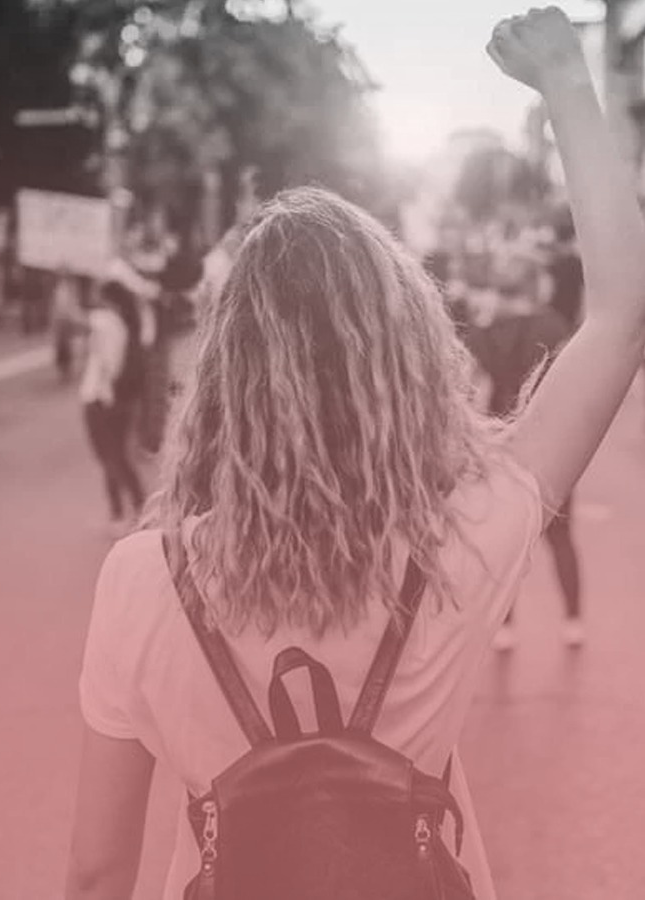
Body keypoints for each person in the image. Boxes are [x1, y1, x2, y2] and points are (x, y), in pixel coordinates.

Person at [66, 11, 645, 900]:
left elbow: (100, 875)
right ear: (404, 356)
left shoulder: (143, 579)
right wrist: (568, 83)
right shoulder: (458, 542)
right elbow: (621, 312)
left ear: (226, 371)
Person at [464, 252, 583, 650]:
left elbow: (473, 392)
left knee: (504, 537)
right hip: (552, 436)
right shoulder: (554, 325)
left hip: (501, 440)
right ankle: (573, 619)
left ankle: (505, 625)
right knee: (562, 535)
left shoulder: (483, 333)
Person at [80, 279, 146, 536]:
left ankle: (128, 511)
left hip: (100, 398)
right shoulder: (125, 324)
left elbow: (70, 316)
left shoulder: (105, 322)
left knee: (110, 457)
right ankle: (125, 511)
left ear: (110, 300)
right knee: (116, 455)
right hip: (120, 399)